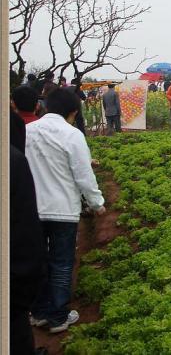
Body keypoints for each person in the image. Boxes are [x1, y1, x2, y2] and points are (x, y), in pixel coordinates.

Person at [26, 87, 106, 334]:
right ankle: (59, 316)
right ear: (73, 112)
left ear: (45, 106)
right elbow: (83, 174)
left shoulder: (26, 131)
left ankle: (38, 312)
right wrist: (97, 203)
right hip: (62, 211)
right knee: (61, 263)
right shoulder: (71, 135)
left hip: (30, 209)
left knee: (37, 261)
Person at [10, 137, 45, 354]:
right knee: (60, 260)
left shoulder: (27, 136)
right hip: (12, 292)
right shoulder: (12, 159)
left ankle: (41, 311)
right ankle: (55, 313)